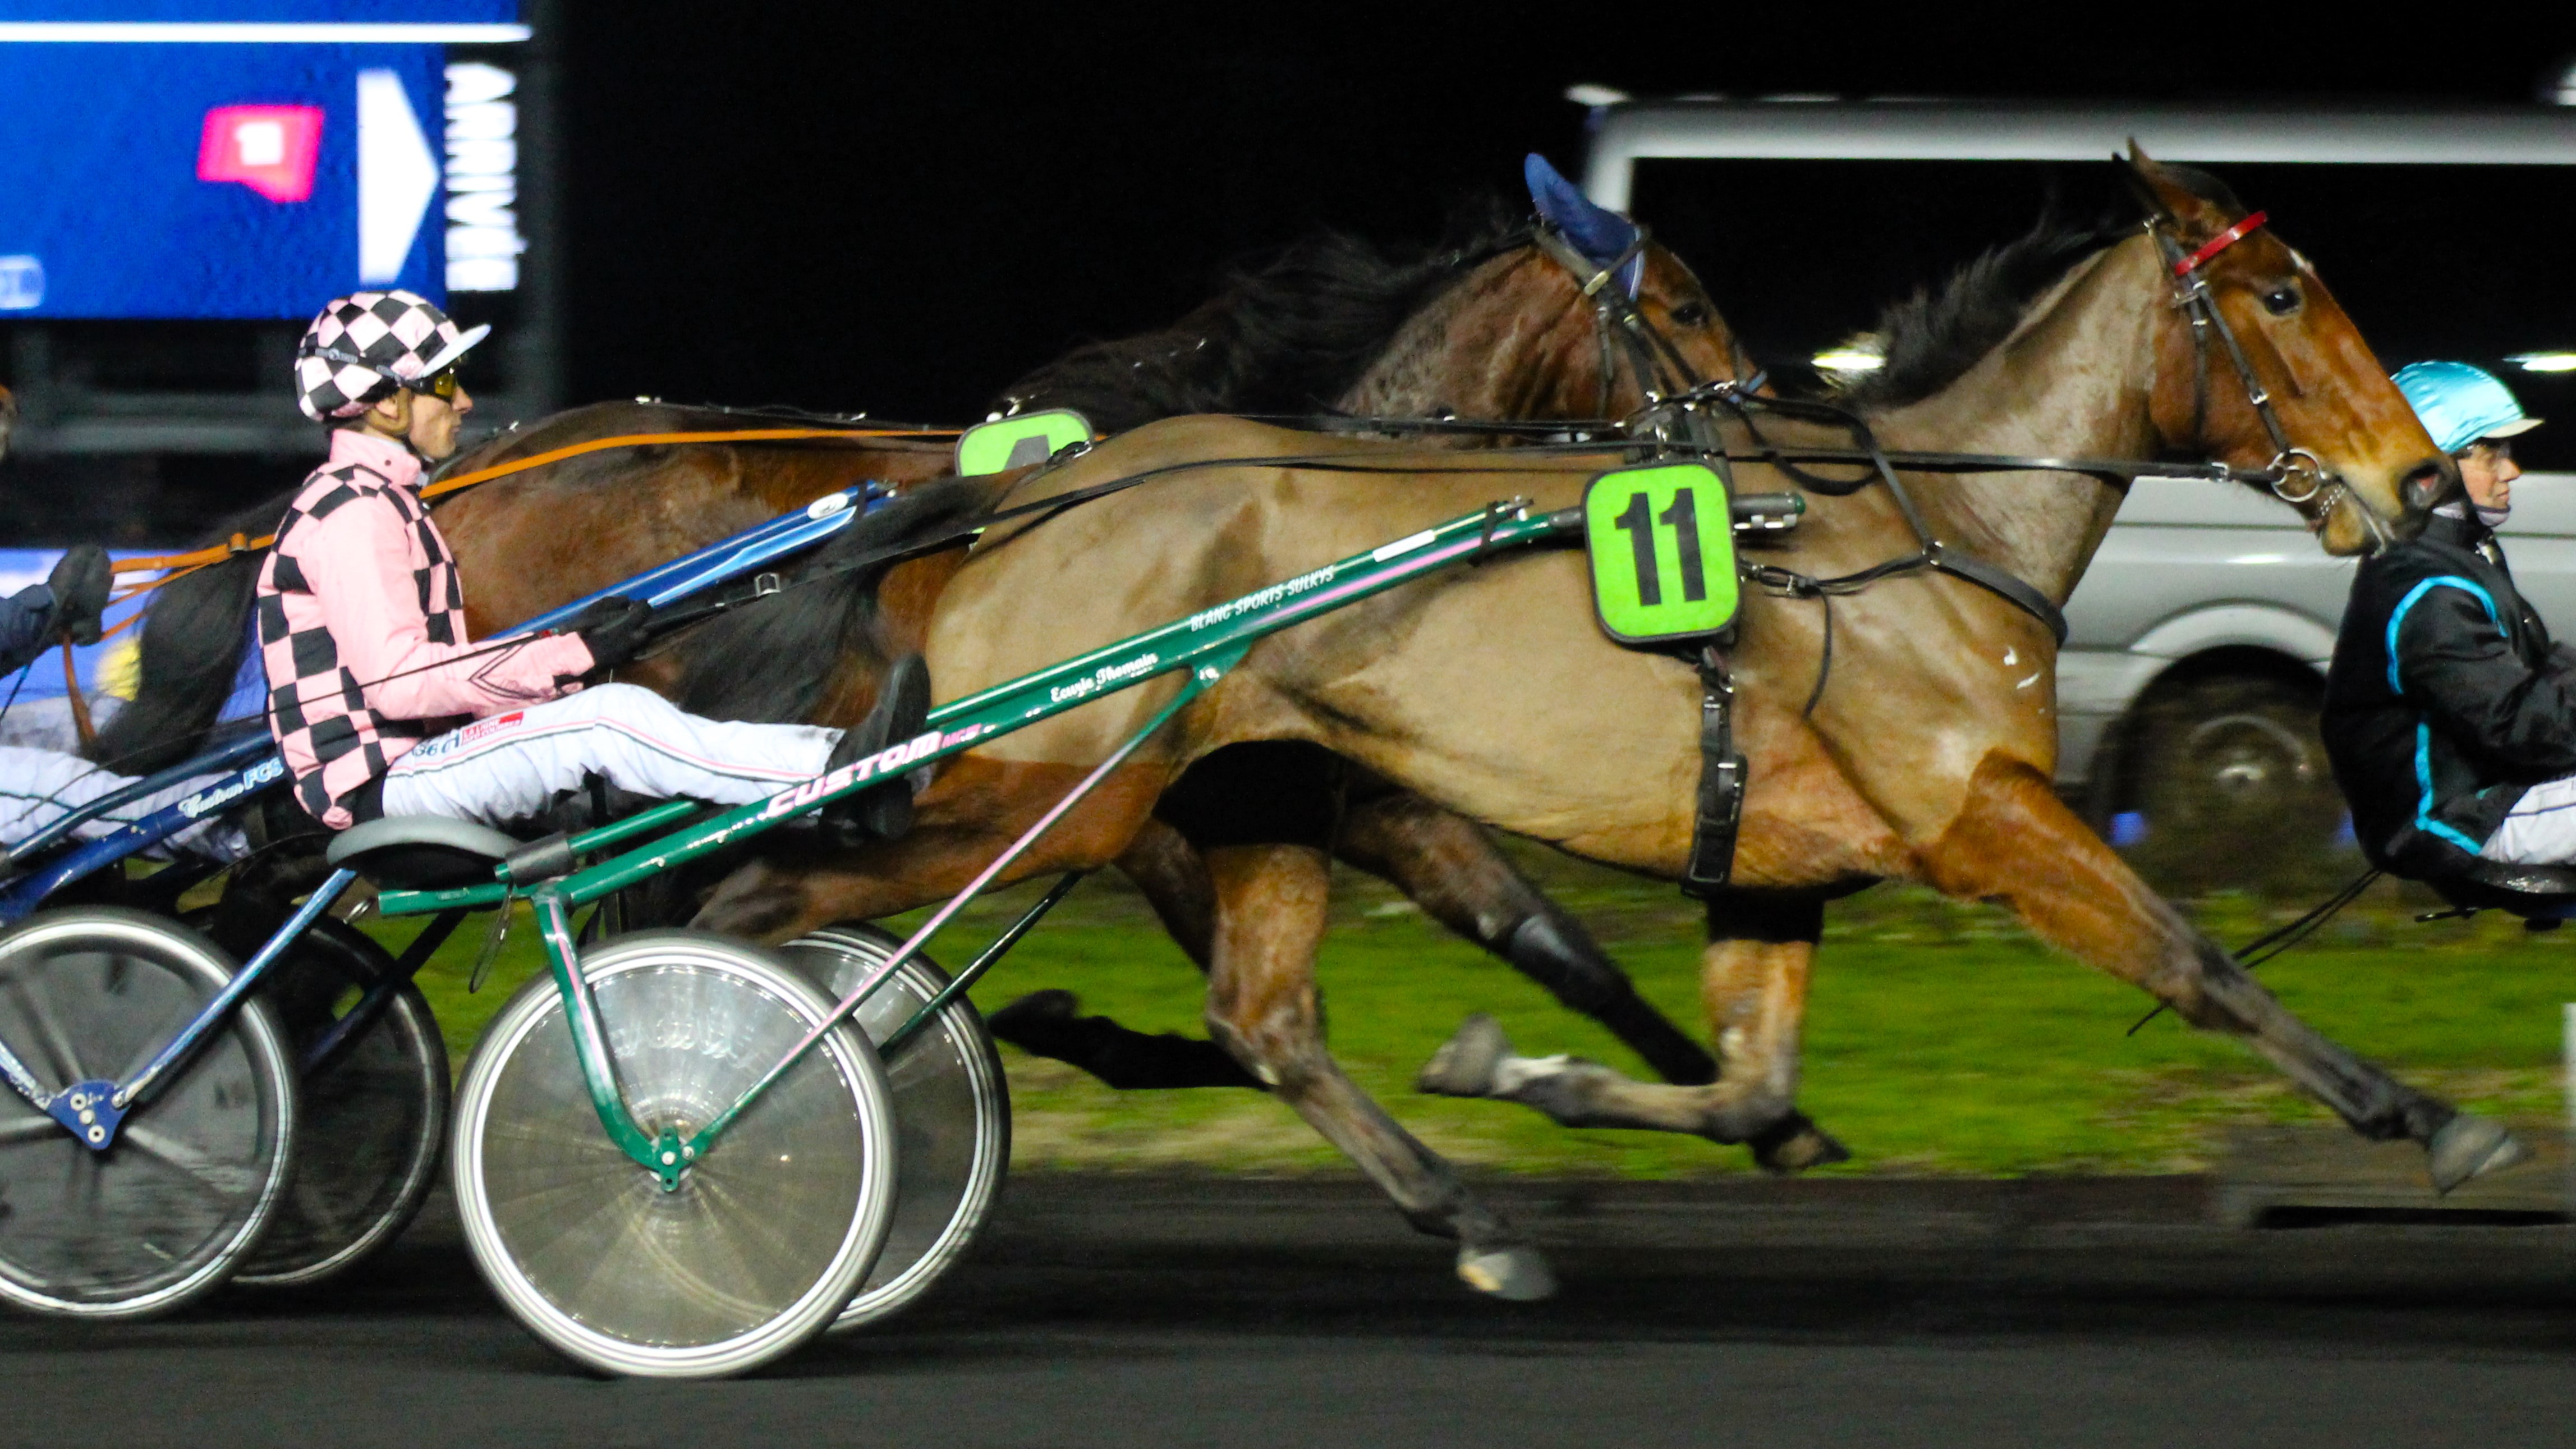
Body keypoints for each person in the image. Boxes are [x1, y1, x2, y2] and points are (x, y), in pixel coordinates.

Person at [259, 290, 921, 841]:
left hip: (414, 765)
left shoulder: (382, 500)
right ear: (386, 404)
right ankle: (835, 773)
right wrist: (569, 654)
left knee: (606, 713)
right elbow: (401, 685)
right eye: (443, 382)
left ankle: (844, 784)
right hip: (383, 785)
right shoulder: (351, 511)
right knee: (607, 719)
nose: (462, 402)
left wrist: (571, 648)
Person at [2321, 360, 2569, 879]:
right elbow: (2519, 727)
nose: (2512, 471)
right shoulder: (2428, 587)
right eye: (2490, 454)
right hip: (2463, 820)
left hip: (2498, 796)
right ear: (2429, 472)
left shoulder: (2460, 559)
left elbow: (2539, 681)